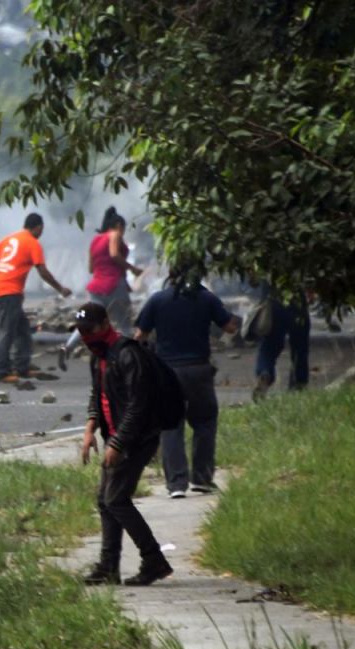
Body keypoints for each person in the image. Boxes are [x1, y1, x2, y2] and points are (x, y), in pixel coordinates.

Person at [76, 302, 172, 587]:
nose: (85, 336)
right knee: (105, 500)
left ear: (105, 324)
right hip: (115, 437)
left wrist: (118, 443)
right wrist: (90, 428)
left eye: (89, 330)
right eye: (81, 331)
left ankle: (154, 560)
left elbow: (138, 406)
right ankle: (108, 566)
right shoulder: (99, 355)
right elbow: (98, 394)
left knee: (115, 499)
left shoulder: (128, 354)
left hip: (136, 439)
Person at [135, 269, 239, 498]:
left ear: (170, 277)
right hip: (198, 370)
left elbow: (140, 335)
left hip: (167, 372)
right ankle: (202, 479)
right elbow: (230, 327)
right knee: (204, 422)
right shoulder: (207, 298)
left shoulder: (158, 299)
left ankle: (176, 484)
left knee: (171, 426)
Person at [0, 213, 72, 382]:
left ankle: (22, 367)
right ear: (38, 227)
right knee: (7, 331)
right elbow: (42, 271)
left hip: (0, 291)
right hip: (10, 293)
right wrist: (60, 289)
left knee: (23, 330)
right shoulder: (33, 243)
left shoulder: (11, 238)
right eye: (42, 229)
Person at [58, 208, 141, 370]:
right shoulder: (114, 235)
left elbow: (91, 268)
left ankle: (67, 346)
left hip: (96, 286)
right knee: (124, 324)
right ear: (118, 225)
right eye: (123, 229)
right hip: (114, 285)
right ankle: (129, 360)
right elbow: (114, 255)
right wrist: (133, 269)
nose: (122, 233)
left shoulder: (95, 240)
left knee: (89, 321)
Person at [254, 287, 310, 401]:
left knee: (268, 347)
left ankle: (265, 372)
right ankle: (298, 384)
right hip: (298, 307)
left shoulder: (266, 270)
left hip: (273, 307)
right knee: (300, 348)